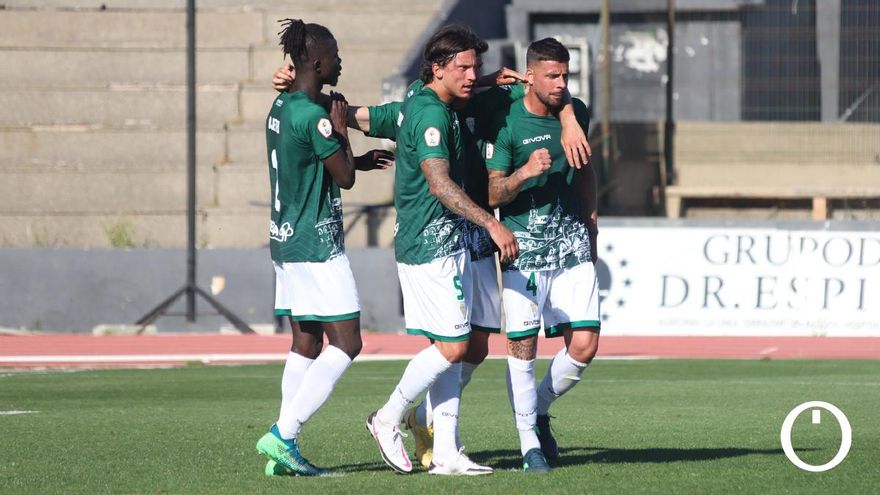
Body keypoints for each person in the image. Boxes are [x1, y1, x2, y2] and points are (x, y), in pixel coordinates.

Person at [365, 24, 518, 476]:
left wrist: (488, 80)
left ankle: (446, 452)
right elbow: (438, 182)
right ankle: (388, 417)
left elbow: (366, 114)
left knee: (464, 344)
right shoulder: (431, 115)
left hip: (450, 242)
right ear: (437, 68)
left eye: (476, 67)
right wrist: (491, 222)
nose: (473, 75)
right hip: (428, 244)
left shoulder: (423, 94)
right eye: (464, 68)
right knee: (452, 346)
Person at [255, 18, 392, 477]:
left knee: (306, 341)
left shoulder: (281, 106)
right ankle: (284, 434)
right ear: (316, 62)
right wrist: (344, 134)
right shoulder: (316, 118)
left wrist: (359, 159)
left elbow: (317, 161)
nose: (340, 61)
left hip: (285, 242)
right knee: (348, 342)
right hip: (316, 244)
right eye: (334, 55)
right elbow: (344, 176)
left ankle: (283, 448)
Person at [484, 37, 600, 474]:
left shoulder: (578, 112)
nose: (560, 83)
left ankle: (536, 407)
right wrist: (525, 172)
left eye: (565, 75)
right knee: (523, 345)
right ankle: (528, 442)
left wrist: (591, 225)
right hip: (522, 249)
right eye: (551, 75)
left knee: (585, 345)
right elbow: (492, 190)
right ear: (529, 76)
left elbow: (587, 170)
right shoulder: (506, 120)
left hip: (572, 244)